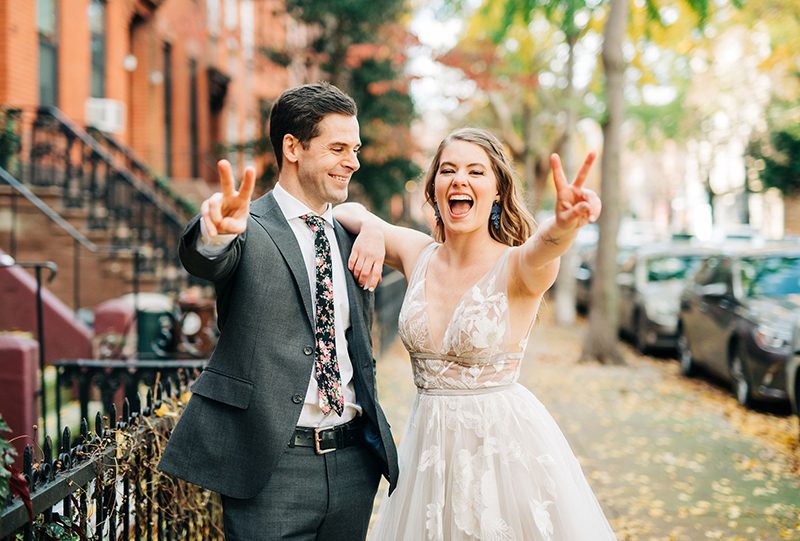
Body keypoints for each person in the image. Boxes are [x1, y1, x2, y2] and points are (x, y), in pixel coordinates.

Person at [335, 127, 617, 540]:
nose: (459, 180)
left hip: (502, 460)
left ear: (498, 191)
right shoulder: (418, 255)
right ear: (433, 188)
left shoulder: (518, 267)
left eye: (475, 172)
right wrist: (375, 228)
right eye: (447, 170)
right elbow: (346, 211)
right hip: (428, 457)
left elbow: (546, 246)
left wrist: (563, 224)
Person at [158, 82, 398, 541]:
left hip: (353, 465)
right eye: (338, 148)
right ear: (293, 147)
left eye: (356, 148)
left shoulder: (352, 233)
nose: (354, 160)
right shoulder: (248, 225)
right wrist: (215, 232)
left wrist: (372, 224)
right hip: (271, 469)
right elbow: (206, 257)